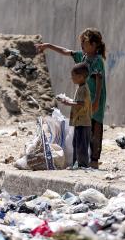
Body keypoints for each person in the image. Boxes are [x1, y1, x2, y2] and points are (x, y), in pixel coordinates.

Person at [36, 28, 107, 169]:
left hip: (94, 99)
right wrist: (48, 46)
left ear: (93, 45)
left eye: (84, 43)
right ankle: (82, 158)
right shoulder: (83, 57)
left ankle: (94, 159)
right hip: (83, 99)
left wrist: (97, 101)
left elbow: (99, 82)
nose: (82, 46)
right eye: (81, 43)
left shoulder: (97, 61)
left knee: (96, 127)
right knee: (84, 128)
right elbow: (66, 52)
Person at [58, 63, 92, 168]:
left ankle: (83, 165)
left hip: (83, 122)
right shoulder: (80, 88)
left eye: (73, 76)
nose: (71, 78)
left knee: (81, 145)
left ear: (80, 77)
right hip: (79, 121)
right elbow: (78, 102)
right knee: (76, 144)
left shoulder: (83, 89)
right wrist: (68, 100)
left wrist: (68, 103)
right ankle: (76, 164)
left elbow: (81, 104)